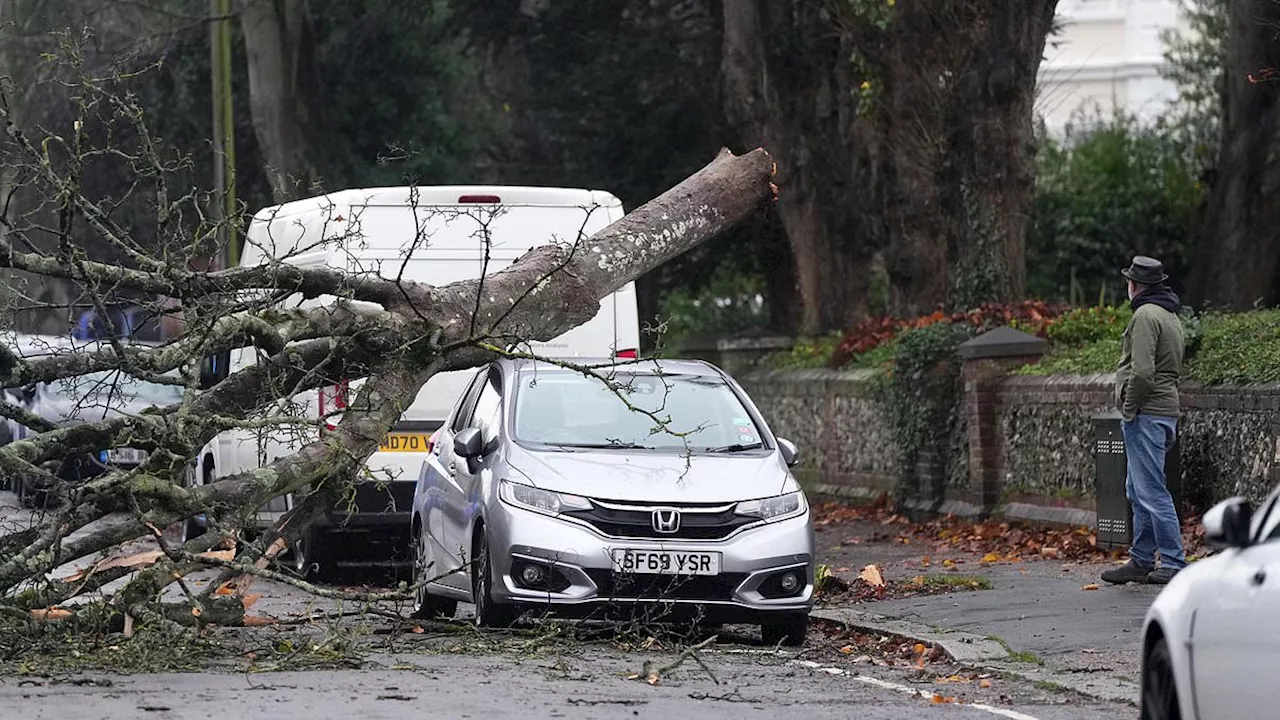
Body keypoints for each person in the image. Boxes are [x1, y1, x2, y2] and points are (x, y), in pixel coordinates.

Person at [1102, 256, 1187, 586]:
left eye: (1128, 282)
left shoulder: (1144, 316)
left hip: (1147, 413)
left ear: (1134, 286)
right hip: (1163, 411)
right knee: (1138, 489)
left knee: (1151, 491)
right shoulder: (1168, 315)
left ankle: (1173, 560)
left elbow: (1142, 372)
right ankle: (1141, 559)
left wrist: (1128, 407)